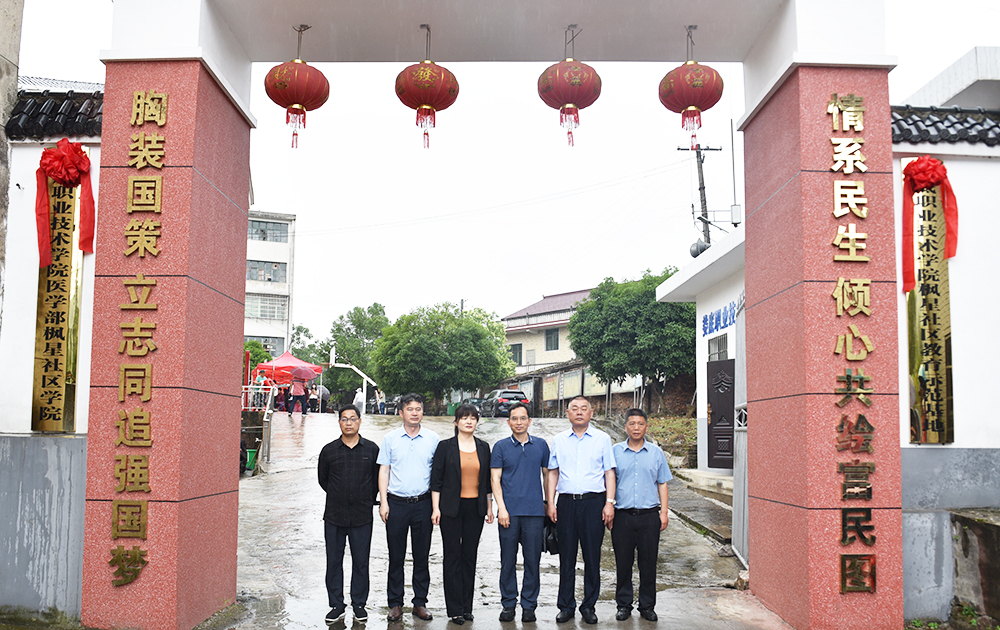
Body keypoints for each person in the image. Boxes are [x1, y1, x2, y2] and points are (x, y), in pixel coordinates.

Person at [546, 395, 616, 625]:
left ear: (591, 412)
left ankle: (589, 606)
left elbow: (609, 473)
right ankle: (566, 606)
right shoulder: (559, 440)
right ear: (567, 413)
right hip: (566, 503)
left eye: (583, 408)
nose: (579, 412)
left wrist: (609, 502)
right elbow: (553, 472)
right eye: (574, 408)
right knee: (566, 557)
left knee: (592, 557)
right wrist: (551, 502)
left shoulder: (602, 439)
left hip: (594, 503)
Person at [377, 393, 440, 622]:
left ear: (423, 412)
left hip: (423, 503)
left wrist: (436, 507)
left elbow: (437, 475)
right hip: (396, 504)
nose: (414, 413)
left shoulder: (433, 439)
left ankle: (420, 603)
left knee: (422, 556)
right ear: (401, 412)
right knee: (396, 556)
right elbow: (384, 471)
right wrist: (383, 502)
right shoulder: (390, 439)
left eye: (418, 409)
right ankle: (395, 604)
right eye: (410, 409)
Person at [430, 404, 494, 625]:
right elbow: (436, 481)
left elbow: (487, 482)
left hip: (475, 509)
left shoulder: (484, 447)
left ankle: (467, 607)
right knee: (452, 557)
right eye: (464, 418)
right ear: (456, 422)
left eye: (472, 418)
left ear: (477, 422)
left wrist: (489, 508)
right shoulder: (445, 447)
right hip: (450, 509)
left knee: (469, 556)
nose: (468, 421)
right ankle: (454, 609)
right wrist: (436, 508)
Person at [318, 405, 380, 624]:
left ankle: (359, 604)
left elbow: (377, 481)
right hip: (334, 516)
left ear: (360, 421)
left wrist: (365, 498)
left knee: (361, 562)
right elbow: (323, 480)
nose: (349, 423)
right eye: (344, 419)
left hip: (362, 516)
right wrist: (340, 494)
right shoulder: (329, 450)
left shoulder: (372, 449)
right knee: (334, 561)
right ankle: (337, 605)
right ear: (339, 423)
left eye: (353, 419)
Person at [490, 402, 550, 623]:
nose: (518, 422)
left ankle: (529, 605)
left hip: (534, 513)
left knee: (532, 560)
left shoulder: (541, 445)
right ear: (508, 422)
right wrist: (501, 508)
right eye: (514, 418)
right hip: (509, 513)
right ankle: (508, 604)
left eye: (522, 418)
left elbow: (548, 475)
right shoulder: (501, 447)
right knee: (508, 560)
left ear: (529, 421)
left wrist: (549, 503)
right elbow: (495, 479)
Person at [611, 408, 671, 622]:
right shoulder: (615, 451)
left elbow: (662, 483)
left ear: (646, 426)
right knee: (623, 562)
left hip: (649, 516)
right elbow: (609, 481)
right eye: (632, 423)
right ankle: (623, 604)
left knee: (648, 563)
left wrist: (664, 512)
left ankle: (647, 606)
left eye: (640, 424)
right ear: (625, 426)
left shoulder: (656, 453)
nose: (636, 428)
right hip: (622, 516)